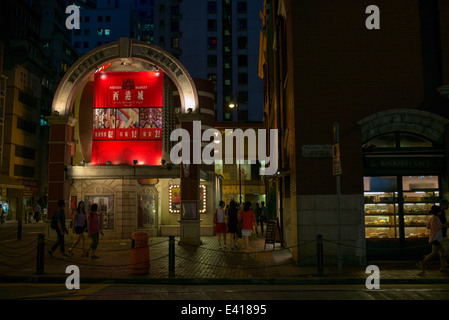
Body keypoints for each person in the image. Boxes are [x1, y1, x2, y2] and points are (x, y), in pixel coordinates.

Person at [416, 206, 449, 272]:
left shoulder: (432, 218)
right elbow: (438, 228)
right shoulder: (436, 219)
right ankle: (422, 262)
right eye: (439, 211)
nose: (440, 212)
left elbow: (428, 227)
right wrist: (444, 225)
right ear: (437, 212)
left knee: (439, 253)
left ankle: (443, 267)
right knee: (437, 253)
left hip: (434, 238)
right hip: (436, 238)